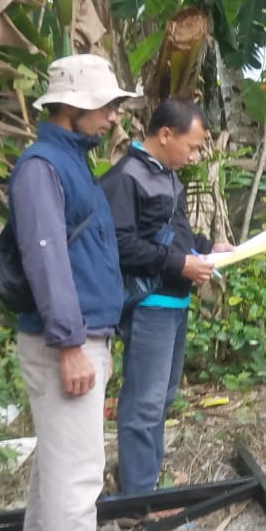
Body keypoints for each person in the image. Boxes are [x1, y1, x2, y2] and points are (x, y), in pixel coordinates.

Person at [10, 54, 139, 531]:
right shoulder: (43, 168)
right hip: (68, 337)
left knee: (57, 458)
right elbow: (47, 262)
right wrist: (67, 344)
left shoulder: (66, 161)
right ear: (74, 107)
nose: (113, 116)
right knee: (77, 464)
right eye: (107, 106)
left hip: (81, 331)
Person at [100, 97, 229, 500]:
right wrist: (179, 265)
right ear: (165, 134)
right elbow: (120, 245)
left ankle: (143, 481)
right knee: (144, 402)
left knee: (163, 397)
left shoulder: (166, 175)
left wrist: (210, 247)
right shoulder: (126, 178)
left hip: (174, 302)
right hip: (149, 303)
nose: (194, 155)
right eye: (191, 146)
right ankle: (137, 501)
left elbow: (175, 236)